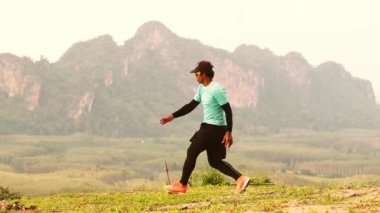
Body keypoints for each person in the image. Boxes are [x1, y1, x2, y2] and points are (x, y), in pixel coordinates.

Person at [160, 60, 250, 194]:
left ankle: (182, 185)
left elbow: (228, 111)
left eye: (196, 74)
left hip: (212, 128)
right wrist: (172, 116)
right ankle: (240, 178)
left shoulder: (217, 89)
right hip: (213, 129)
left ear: (203, 74)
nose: (195, 76)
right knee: (214, 161)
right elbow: (190, 106)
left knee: (192, 151)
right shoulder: (202, 88)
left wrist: (229, 132)